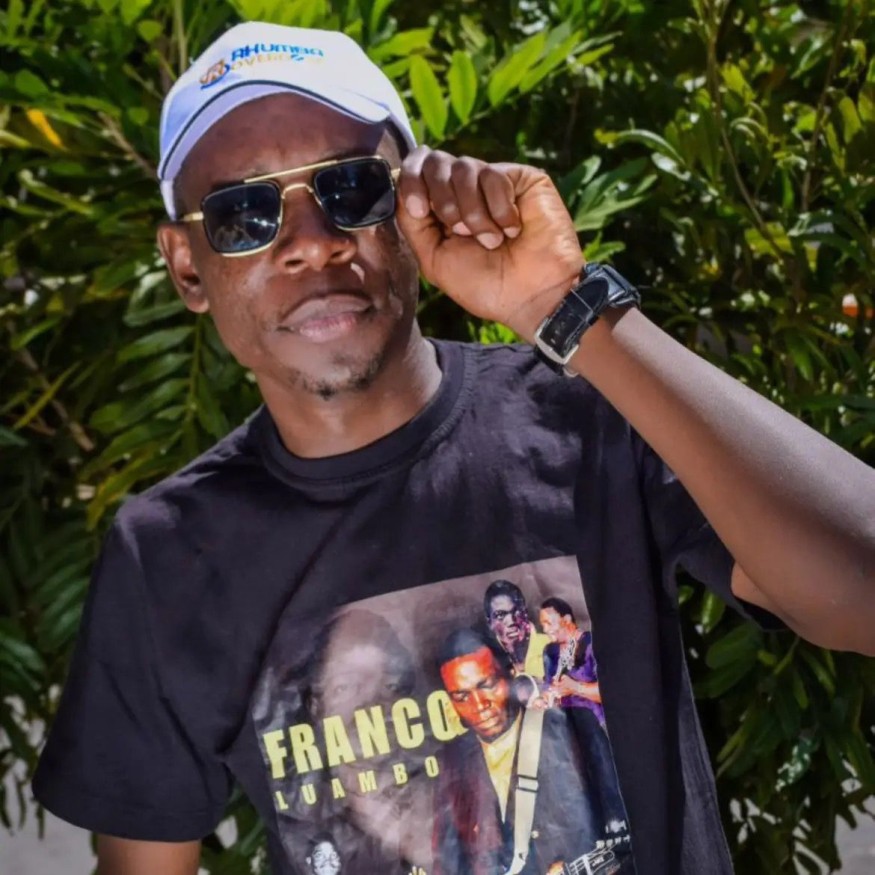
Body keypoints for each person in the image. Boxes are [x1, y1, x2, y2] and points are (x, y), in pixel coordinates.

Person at [30, 18, 875, 875]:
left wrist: (567, 308)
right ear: (185, 266)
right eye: (243, 213)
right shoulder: (167, 554)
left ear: (413, 208)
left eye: (351, 186)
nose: (312, 240)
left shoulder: (590, 412)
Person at [433, 629, 631, 875]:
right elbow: (448, 862)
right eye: (462, 697)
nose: (479, 705)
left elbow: (628, 831)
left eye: (487, 685)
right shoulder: (454, 760)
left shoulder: (570, 723)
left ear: (510, 675)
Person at [538, 596, 604, 725]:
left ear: (567, 620)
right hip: (566, 726)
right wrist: (544, 698)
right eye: (542, 625)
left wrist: (576, 687)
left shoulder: (592, 644)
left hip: (597, 725)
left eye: (548, 623)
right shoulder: (550, 651)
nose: (545, 630)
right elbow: (548, 687)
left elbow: (612, 692)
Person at [483, 579, 550, 677]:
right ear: (490, 623)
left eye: (516, 611)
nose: (511, 621)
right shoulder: (485, 662)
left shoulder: (552, 645)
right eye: (500, 615)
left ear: (525, 612)